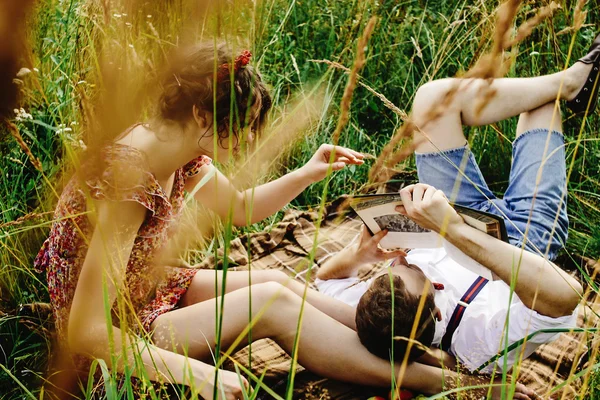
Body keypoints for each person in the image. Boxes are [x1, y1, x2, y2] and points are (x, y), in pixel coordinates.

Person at [35, 42, 534, 400]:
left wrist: (308, 171)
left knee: (274, 279)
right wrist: (196, 375)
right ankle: (445, 382)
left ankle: (414, 348)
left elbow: (243, 209)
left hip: (147, 290)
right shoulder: (130, 179)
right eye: (245, 124)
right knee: (268, 302)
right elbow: (87, 329)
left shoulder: (177, 151)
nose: (251, 140)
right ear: (202, 116)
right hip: (115, 340)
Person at [316, 33, 599, 377]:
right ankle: (569, 85)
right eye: (417, 272)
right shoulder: (477, 345)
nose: (402, 258)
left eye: (394, 267)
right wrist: (450, 229)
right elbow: (566, 294)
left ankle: (570, 83)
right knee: (539, 105)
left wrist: (357, 256)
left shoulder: (371, 311)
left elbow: (325, 278)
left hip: (450, 212)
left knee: (431, 100)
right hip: (525, 242)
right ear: (436, 312)